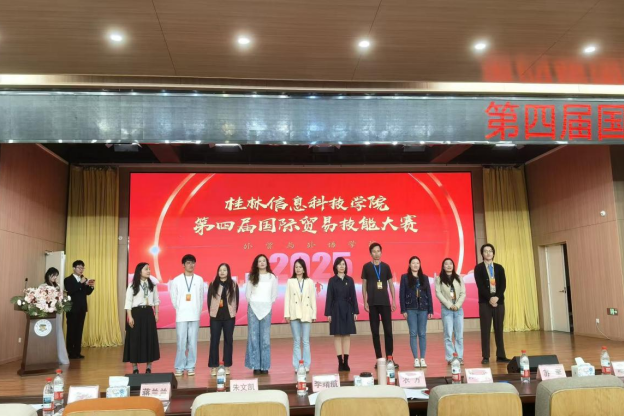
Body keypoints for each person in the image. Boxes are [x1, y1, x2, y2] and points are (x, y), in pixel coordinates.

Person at [361, 242, 398, 367]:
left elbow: (391, 284)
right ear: (370, 253)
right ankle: (379, 359)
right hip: (372, 304)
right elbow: (364, 285)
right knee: (375, 332)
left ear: (381, 252)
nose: (376, 253)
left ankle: (390, 358)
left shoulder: (386, 267)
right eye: (374, 251)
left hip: (385, 303)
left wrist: (393, 300)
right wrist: (365, 301)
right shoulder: (366, 267)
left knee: (388, 331)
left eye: (378, 251)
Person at [170, 254, 204, 377]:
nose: (191, 265)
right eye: (188, 263)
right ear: (183, 265)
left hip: (194, 315)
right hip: (181, 316)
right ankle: (179, 366)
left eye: (193, 263)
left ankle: (190, 366)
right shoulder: (176, 280)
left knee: (193, 343)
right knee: (181, 343)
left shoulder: (199, 279)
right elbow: (173, 298)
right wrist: (180, 309)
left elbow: (201, 297)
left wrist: (197, 311)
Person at [475, 244, 510, 364]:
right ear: (482, 254)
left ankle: (501, 355)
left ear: (493, 253)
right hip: (485, 302)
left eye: (490, 251)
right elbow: (480, 286)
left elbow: (503, 285)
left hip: (499, 302)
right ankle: (486, 356)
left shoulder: (499, 268)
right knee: (485, 330)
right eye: (485, 251)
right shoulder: (478, 268)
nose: (488, 253)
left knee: (499, 329)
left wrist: (497, 297)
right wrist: (490, 298)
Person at [123, 262, 160, 374]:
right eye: (146, 269)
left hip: (148, 313)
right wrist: (130, 317)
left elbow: (156, 300)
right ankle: (135, 367)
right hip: (136, 313)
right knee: (135, 340)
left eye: (149, 269)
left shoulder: (152, 285)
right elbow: (128, 302)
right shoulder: (132, 285)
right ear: (139, 271)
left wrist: (156, 313)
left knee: (149, 339)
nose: (149, 271)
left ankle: (149, 366)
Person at [245, 254, 278, 375]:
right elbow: (248, 294)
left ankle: (265, 365)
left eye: (264, 261)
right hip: (253, 309)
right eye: (260, 261)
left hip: (266, 309)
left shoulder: (272, 277)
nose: (262, 263)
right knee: (254, 338)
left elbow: (274, 294)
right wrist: (254, 303)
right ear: (256, 264)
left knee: (265, 339)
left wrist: (267, 304)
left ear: (267, 263)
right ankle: (256, 365)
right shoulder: (252, 277)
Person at [325, 257, 359, 371]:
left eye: (343, 264)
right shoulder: (332, 280)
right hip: (335, 309)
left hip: (348, 309)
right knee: (337, 335)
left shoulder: (350, 280)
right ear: (335, 266)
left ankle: (346, 362)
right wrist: (328, 313)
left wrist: (355, 311)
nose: (341, 266)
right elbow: (329, 297)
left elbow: (353, 296)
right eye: (339, 264)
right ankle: (340, 362)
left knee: (347, 335)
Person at [399, 256, 433, 368]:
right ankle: (416, 359)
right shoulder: (405, 277)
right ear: (409, 265)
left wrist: (430, 310)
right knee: (413, 333)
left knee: (422, 333)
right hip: (410, 309)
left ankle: (422, 358)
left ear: (420, 265)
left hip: (423, 309)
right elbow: (402, 294)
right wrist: (403, 309)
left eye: (417, 263)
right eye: (413, 263)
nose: (415, 265)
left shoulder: (424, 277)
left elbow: (429, 294)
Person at [284, 259, 317, 373]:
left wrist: (314, 314)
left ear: (304, 269)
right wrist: (287, 314)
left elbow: (312, 298)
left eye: (300, 267)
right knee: (296, 341)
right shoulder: (290, 281)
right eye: (296, 267)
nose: (298, 269)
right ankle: (297, 365)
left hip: (306, 313)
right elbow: (287, 298)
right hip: (294, 313)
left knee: (306, 341)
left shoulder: (309, 281)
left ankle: (306, 365)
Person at [208, 263, 239, 376]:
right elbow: (209, 301)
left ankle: (227, 365)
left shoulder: (233, 284)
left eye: (224, 270)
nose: (222, 272)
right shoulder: (213, 284)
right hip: (215, 317)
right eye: (220, 270)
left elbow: (237, 300)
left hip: (229, 317)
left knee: (228, 341)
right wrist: (212, 313)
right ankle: (214, 366)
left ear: (228, 272)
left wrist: (233, 313)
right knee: (214, 341)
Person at [435, 258, 466, 364]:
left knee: (459, 335)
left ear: (453, 266)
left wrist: (457, 305)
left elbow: (463, 293)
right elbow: (438, 293)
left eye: (451, 264)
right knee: (448, 335)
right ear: (443, 266)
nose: (449, 265)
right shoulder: (439, 279)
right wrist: (449, 305)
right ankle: (451, 358)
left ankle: (459, 357)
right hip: (446, 309)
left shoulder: (459, 278)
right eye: (446, 264)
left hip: (458, 309)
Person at [64, 260, 95, 359]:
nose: (81, 270)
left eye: (83, 268)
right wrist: (80, 283)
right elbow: (70, 291)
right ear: (74, 268)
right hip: (72, 309)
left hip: (82, 308)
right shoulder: (68, 279)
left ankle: (77, 352)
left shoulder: (84, 279)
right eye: (79, 267)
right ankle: (70, 352)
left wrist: (91, 287)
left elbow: (86, 293)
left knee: (79, 330)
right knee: (71, 330)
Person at [39, 268, 70, 365]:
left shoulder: (57, 286)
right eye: (53, 275)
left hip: (56, 313)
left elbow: (60, 299)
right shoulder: (43, 286)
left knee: (57, 333)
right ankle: (46, 356)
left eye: (56, 275)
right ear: (48, 275)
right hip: (46, 313)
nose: (55, 277)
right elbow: (40, 299)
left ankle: (59, 357)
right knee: (47, 332)